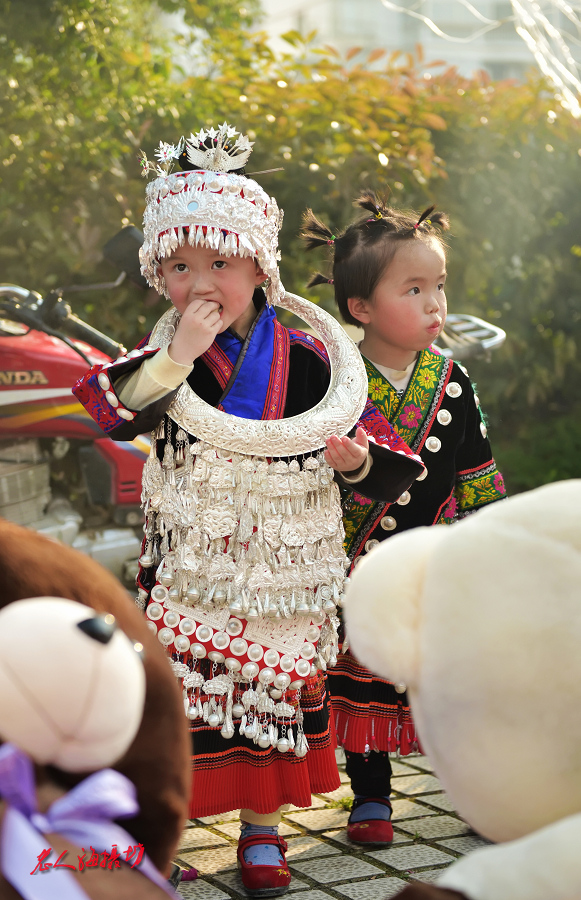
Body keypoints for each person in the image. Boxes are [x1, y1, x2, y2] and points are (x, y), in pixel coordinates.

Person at [73, 126, 424, 896]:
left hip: (280, 572)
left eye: (220, 262)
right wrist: (177, 357)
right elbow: (109, 407)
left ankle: (261, 834)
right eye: (179, 265)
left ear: (259, 267)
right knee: (179, 700)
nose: (200, 281)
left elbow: (384, 453)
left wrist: (355, 462)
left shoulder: (307, 358)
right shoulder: (163, 354)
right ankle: (160, 829)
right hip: (193, 568)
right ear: (156, 273)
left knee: (269, 697)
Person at [301, 190, 506, 849]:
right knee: (362, 677)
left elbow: (474, 471)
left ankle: (478, 792)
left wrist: (490, 541)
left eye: (438, 287)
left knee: (453, 684)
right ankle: (370, 796)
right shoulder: (334, 381)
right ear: (359, 308)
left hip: (434, 560)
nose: (434, 305)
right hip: (353, 565)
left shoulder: (451, 380)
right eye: (413, 289)